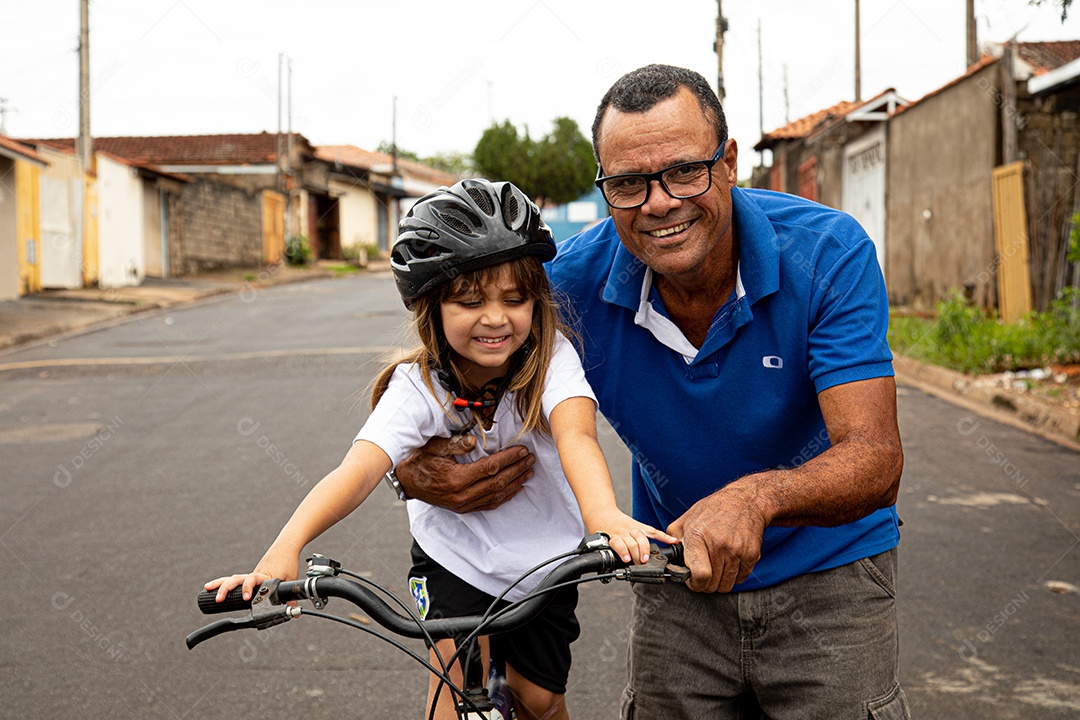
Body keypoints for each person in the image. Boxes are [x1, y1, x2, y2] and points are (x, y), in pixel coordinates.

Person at [392, 65, 909, 718]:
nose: (659, 203)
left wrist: (756, 498)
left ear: (727, 162)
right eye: (629, 184)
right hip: (675, 573)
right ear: (604, 187)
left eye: (683, 171)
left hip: (830, 575)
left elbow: (875, 457)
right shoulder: (568, 289)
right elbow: (448, 386)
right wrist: (413, 469)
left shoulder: (829, 253)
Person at [205, 178, 674, 720]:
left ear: (536, 300)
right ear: (431, 307)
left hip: (545, 562)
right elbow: (357, 470)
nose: (495, 317)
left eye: (514, 298)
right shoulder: (419, 386)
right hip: (453, 558)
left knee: (540, 700)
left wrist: (605, 517)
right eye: (469, 300)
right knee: (451, 686)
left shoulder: (552, 358)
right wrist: (282, 553)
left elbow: (577, 436)